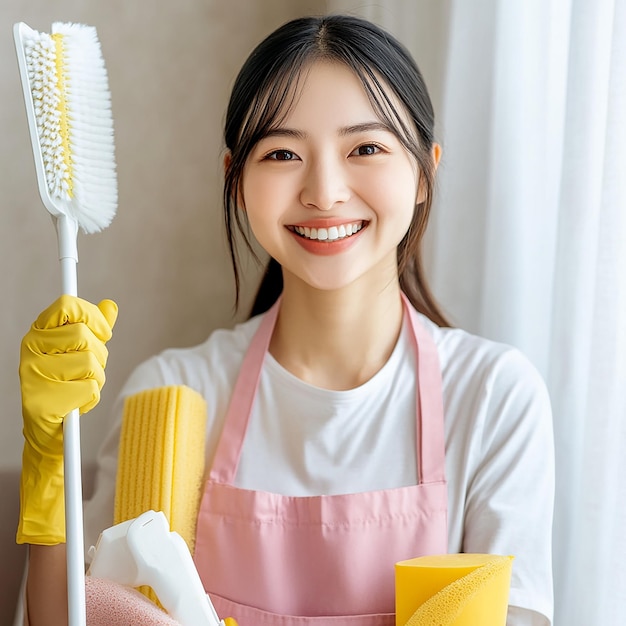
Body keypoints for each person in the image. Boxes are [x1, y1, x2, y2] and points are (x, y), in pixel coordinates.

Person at [16, 14, 554, 626]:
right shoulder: (174, 393)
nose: (325, 192)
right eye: (282, 153)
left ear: (425, 170)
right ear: (237, 181)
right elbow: (77, 619)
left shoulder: (493, 397)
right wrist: (47, 461)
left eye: (366, 148)